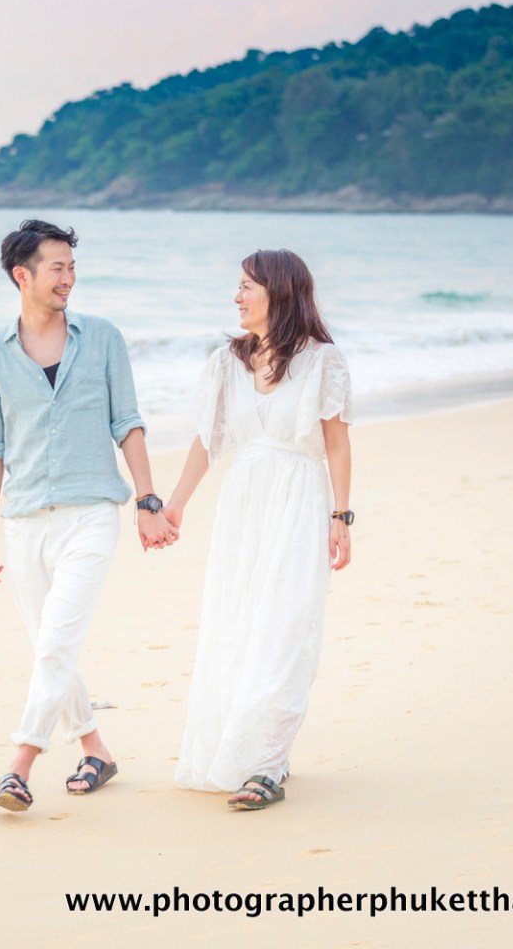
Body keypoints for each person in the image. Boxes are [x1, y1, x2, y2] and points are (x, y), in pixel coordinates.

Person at [0, 219, 178, 813]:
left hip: (91, 513)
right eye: (57, 267)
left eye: (72, 267)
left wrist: (147, 501)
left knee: (58, 639)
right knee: (50, 649)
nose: (69, 278)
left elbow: (127, 422)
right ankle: (96, 750)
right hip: (26, 519)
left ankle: (21, 763)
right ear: (22, 275)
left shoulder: (103, 338)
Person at [164, 249, 353, 810]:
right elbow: (209, 439)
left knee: (287, 625)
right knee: (239, 623)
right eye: (237, 286)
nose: (237, 296)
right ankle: (251, 750)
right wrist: (176, 504)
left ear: (280, 291)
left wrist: (342, 516)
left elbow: (337, 443)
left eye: (247, 286)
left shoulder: (323, 362)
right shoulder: (228, 361)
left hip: (299, 495)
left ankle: (269, 765)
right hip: (244, 501)